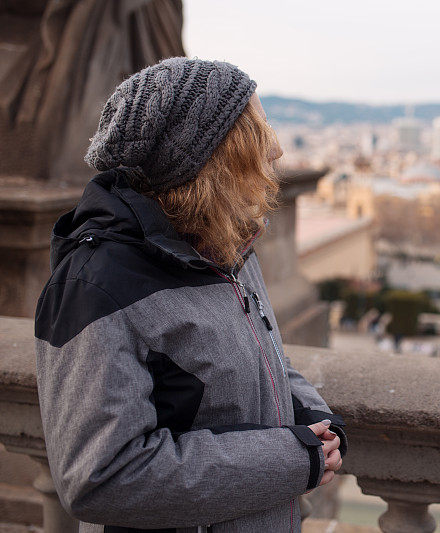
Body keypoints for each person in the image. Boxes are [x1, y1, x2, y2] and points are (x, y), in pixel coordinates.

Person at [34, 57, 346, 532]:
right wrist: (292, 458)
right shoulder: (95, 288)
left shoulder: (229, 249)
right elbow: (101, 477)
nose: (277, 151)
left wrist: (313, 419)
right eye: (257, 134)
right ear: (208, 160)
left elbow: (261, 360)